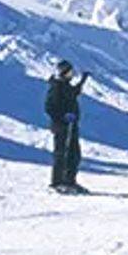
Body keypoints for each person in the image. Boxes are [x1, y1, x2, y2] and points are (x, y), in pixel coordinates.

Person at [44, 59, 90, 193]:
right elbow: (49, 107)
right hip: (62, 126)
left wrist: (83, 81)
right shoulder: (56, 87)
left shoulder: (65, 85)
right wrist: (62, 117)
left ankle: (70, 181)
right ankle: (58, 182)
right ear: (63, 73)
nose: (71, 75)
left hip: (71, 125)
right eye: (70, 72)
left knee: (73, 154)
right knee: (62, 154)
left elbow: (72, 94)